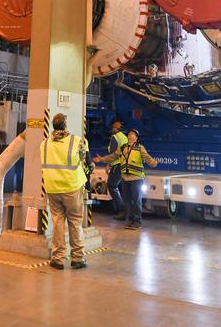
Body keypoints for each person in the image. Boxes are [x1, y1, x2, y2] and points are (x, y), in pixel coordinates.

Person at [42, 113, 89, 270]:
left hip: (52, 188)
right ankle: (77, 258)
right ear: (65, 124)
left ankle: (58, 258)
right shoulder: (76, 142)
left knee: (57, 222)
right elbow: (83, 159)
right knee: (75, 222)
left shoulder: (44, 143)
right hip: (71, 187)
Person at [95, 129, 157, 230]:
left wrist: (153, 162)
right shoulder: (123, 148)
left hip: (136, 178)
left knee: (136, 200)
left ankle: (137, 221)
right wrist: (102, 159)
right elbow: (113, 156)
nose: (130, 136)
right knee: (127, 201)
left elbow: (147, 158)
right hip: (125, 178)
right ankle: (129, 220)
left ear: (136, 138)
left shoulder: (140, 148)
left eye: (132, 135)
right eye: (129, 134)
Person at [104, 120, 127, 219]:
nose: (112, 129)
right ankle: (124, 210)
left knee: (111, 185)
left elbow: (113, 154)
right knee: (120, 187)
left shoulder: (115, 137)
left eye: (113, 127)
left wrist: (108, 164)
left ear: (116, 128)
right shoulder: (124, 137)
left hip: (117, 165)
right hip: (124, 165)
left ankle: (122, 210)